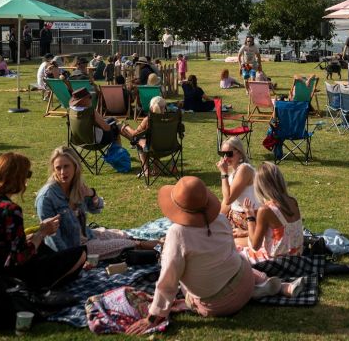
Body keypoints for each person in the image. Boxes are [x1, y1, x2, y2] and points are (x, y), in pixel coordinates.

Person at [125, 177, 302, 333]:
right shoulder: (221, 219)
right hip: (245, 280)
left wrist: (154, 317)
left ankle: (255, 291)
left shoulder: (177, 233)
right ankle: (264, 286)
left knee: (184, 283)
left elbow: (168, 282)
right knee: (235, 259)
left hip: (217, 305)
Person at [0, 152, 86, 292]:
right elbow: (19, 258)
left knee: (42, 247)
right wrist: (42, 233)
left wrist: (30, 239)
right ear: (16, 177)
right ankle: (41, 289)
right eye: (27, 174)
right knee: (81, 253)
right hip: (3, 279)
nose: (27, 180)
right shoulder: (10, 209)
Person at [35, 147, 158, 258]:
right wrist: (71, 259)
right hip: (75, 248)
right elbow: (52, 237)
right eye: (58, 168)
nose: (62, 172)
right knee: (126, 244)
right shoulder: (46, 197)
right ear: (53, 169)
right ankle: (152, 246)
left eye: (66, 166)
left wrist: (92, 194)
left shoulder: (76, 186)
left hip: (88, 235)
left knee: (123, 235)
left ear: (75, 166)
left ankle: (158, 244)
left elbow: (97, 208)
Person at [238, 162, 304, 263]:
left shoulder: (265, 210)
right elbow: (282, 231)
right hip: (296, 256)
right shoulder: (292, 201)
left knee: (234, 248)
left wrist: (250, 217)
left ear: (260, 186)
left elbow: (255, 246)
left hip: (276, 261)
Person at [217, 137, 259, 237]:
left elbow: (228, 199)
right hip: (236, 220)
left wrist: (223, 173)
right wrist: (215, 219)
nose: (225, 158)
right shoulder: (234, 173)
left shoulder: (244, 169)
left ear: (239, 153)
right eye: (223, 154)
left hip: (249, 221)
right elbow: (226, 203)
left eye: (229, 154)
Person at [121, 96, 170, 176]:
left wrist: (127, 127)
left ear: (151, 108)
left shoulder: (148, 120)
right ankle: (156, 169)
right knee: (153, 140)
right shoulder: (169, 118)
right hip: (167, 147)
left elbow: (134, 134)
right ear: (164, 107)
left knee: (139, 141)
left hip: (152, 148)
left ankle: (146, 170)